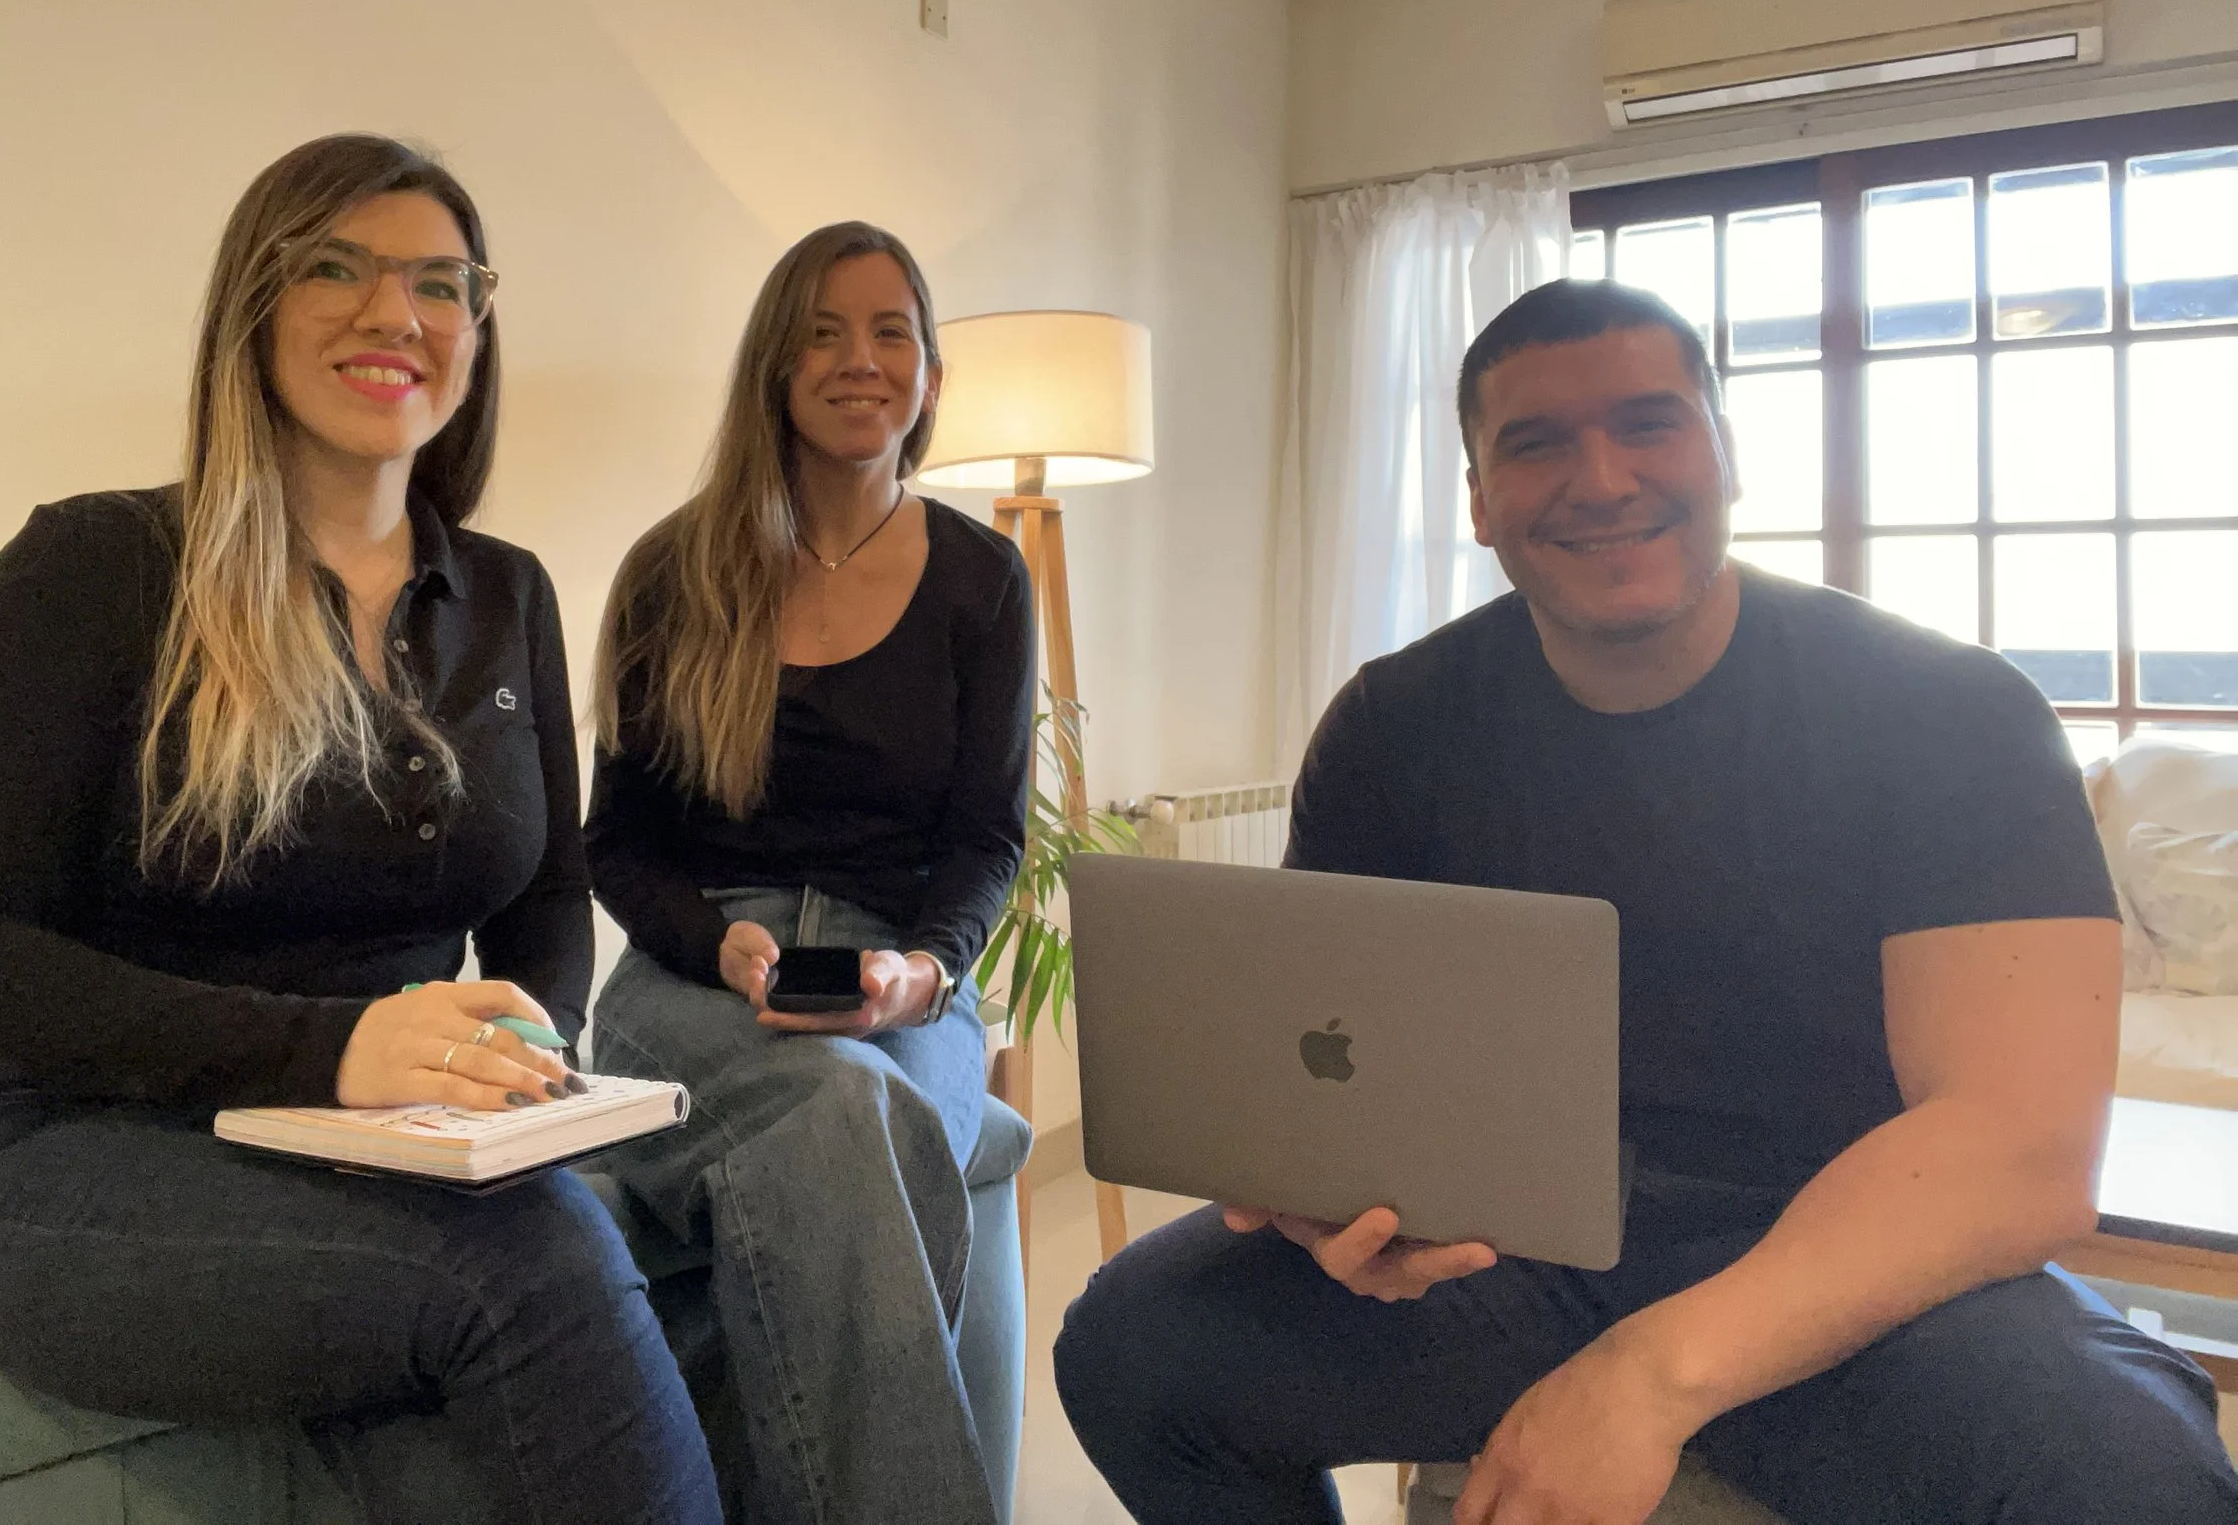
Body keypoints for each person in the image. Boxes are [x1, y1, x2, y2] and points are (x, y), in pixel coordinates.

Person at [1054, 279, 2238, 1525]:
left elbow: (2019, 1153)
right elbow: (1335, 1070)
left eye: (1648, 424)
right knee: (1135, 1351)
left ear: (1726, 455)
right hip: (1508, 1250)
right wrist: (1329, 1203)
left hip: (1855, 1261)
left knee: (2133, 1478)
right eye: (1536, 444)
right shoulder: (1393, 726)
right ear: (1478, 499)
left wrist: (1644, 1380)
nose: (1603, 480)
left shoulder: (1947, 712)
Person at [0, 134, 720, 1525]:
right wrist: (331, 1050)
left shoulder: (506, 593)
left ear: (477, 329)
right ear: (254, 305)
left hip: (384, 1140)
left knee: (588, 1231)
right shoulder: (94, 566)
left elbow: (545, 894)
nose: (397, 313)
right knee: (535, 1264)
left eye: (441, 284)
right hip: (74, 1148)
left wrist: (531, 1057)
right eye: (339, 268)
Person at [584, 220, 1034, 1525]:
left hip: (904, 974)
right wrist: (716, 945)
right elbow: (617, 841)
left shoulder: (983, 580)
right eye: (823, 333)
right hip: (695, 978)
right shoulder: (677, 570)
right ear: (775, 366)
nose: (860, 360)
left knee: (857, 1106)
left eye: (891, 331)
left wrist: (924, 974)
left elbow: (989, 839)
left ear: (931, 374)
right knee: (843, 1108)